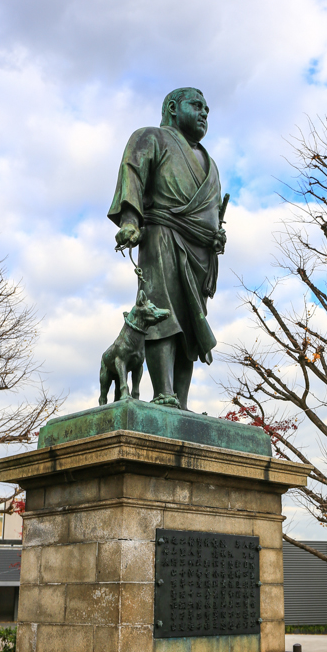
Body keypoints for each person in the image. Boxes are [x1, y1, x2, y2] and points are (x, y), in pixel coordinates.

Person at [108, 87, 227, 410]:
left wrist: (217, 235)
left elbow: (212, 209)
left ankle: (181, 401)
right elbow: (132, 172)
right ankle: (164, 393)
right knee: (162, 310)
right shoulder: (150, 138)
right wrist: (130, 220)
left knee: (192, 323)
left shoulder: (210, 162)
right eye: (197, 105)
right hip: (161, 233)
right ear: (173, 107)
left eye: (207, 109)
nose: (204, 113)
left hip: (200, 251)